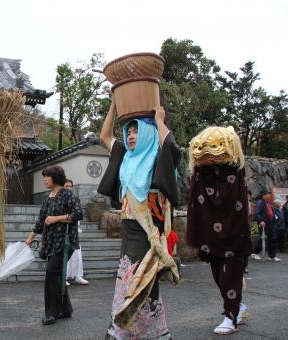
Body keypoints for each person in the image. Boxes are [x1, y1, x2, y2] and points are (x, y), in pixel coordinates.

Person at [98, 99, 181, 340]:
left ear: (147, 134)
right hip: (129, 231)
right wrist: (114, 106)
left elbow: (172, 147)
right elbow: (104, 136)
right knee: (132, 281)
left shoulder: (157, 156)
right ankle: (153, 332)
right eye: (129, 132)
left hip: (148, 235)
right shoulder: (125, 156)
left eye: (137, 131)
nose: (132, 136)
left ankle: (125, 332)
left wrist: (158, 121)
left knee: (138, 281)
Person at [186, 126, 252, 335]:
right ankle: (237, 306)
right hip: (209, 230)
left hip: (233, 230)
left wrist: (230, 137)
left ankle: (230, 315)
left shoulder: (234, 169)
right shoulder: (201, 173)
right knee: (218, 274)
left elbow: (234, 154)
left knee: (230, 272)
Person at [25, 165, 83, 326]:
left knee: (51, 273)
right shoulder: (47, 197)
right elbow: (41, 220)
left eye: (47, 176)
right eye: (44, 176)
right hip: (50, 242)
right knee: (56, 276)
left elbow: (78, 214)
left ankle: (51, 313)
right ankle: (65, 309)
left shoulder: (67, 194)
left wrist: (57, 218)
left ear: (55, 178)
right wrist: (30, 238)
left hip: (65, 242)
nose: (44, 179)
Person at [64, 179, 88, 286]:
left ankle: (78, 275)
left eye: (70, 186)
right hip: (63, 229)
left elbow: (79, 213)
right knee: (65, 254)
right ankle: (63, 277)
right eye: (66, 186)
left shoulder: (75, 199)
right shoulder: (59, 199)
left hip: (74, 229)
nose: (69, 188)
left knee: (77, 253)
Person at [250, 191, 280, 261]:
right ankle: (255, 253)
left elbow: (272, 213)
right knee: (262, 239)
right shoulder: (261, 203)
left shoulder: (268, 203)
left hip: (270, 224)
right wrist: (261, 221)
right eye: (268, 194)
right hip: (264, 223)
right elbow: (257, 214)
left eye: (269, 194)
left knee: (273, 239)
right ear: (263, 196)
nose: (269, 196)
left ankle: (272, 256)